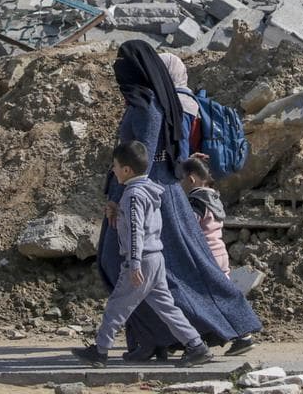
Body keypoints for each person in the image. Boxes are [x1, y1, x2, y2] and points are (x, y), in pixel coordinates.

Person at [98, 41, 262, 362]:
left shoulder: (147, 106)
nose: (119, 69)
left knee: (153, 268)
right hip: (160, 193)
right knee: (165, 269)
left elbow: (140, 161)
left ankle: (224, 328)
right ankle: (151, 340)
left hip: (149, 198)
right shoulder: (150, 102)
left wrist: (119, 199)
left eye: (124, 63)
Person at [73, 141, 213, 369]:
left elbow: (137, 231)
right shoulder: (147, 190)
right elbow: (144, 225)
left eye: (115, 166)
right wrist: (118, 215)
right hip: (155, 257)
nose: (113, 170)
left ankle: (99, 352)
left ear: (127, 170)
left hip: (141, 260)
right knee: (167, 308)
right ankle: (196, 346)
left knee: (117, 306)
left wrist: (135, 263)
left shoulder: (132, 196)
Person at [180, 156, 256, 355]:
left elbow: (189, 227)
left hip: (208, 257)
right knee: (222, 295)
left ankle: (241, 335)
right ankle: (231, 335)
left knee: (210, 299)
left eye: (182, 179)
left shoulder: (196, 201)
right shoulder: (213, 197)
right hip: (220, 253)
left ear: (191, 179)